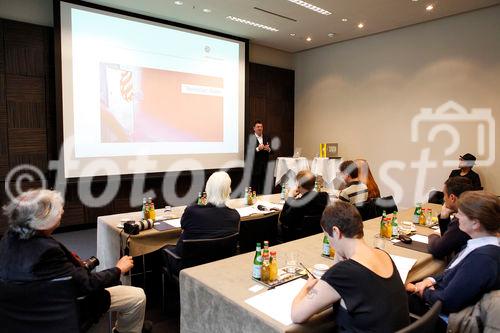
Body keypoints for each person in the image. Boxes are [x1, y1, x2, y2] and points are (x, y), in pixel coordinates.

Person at [0, 189, 147, 333]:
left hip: (25, 312)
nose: (62, 212)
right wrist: (118, 269)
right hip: (63, 310)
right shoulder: (47, 252)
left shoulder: (8, 240)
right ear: (42, 219)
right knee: (137, 296)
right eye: (57, 210)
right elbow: (87, 284)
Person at [291, 202, 409, 332]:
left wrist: (307, 288)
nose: (329, 242)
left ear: (336, 231)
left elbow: (297, 315)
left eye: (327, 236)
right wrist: (340, 253)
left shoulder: (342, 274)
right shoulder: (384, 255)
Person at [406, 191, 499, 329]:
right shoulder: (482, 245)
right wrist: (431, 280)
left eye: (460, 214)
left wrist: (421, 290)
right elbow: (452, 270)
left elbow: (448, 302)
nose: (456, 216)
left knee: (389, 296)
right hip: (441, 296)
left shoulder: (482, 259)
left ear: (475, 223)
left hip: (445, 319)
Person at [171, 171, 240, 271]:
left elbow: (183, 227)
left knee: (163, 249)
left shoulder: (192, 211)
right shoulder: (234, 216)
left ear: (207, 189)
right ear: (228, 191)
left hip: (189, 269)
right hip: (219, 267)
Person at [428, 177, 473, 260]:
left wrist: (432, 236)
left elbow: (438, 250)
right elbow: (449, 241)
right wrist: (444, 217)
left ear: (452, 198)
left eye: (444, 195)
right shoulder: (471, 210)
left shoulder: (463, 219)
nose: (443, 199)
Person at [279, 170, 329, 240]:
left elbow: (283, 219)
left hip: (296, 237)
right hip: (317, 235)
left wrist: (290, 197)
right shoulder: (324, 196)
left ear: (299, 185)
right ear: (314, 185)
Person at [249, 120, 271, 194]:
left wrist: (269, 149)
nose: (260, 128)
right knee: (254, 188)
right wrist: (258, 149)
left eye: (261, 127)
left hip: (265, 167)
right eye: (258, 127)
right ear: (254, 128)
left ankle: (263, 202)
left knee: (263, 188)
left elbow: (272, 151)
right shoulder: (250, 138)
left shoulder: (267, 137)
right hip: (255, 168)